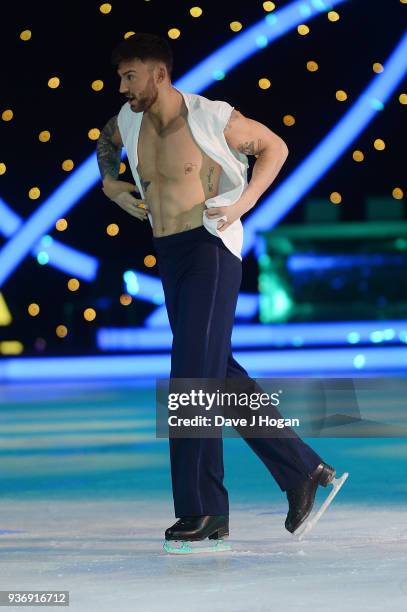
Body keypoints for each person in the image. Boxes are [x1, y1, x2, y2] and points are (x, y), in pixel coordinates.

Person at [96, 32, 339, 549]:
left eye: (130, 75)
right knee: (215, 373)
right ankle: (303, 469)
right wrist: (111, 185)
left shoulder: (210, 116)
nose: (122, 86)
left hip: (210, 249)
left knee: (190, 379)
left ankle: (203, 510)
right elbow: (107, 144)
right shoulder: (129, 120)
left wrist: (243, 203)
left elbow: (276, 146)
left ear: (159, 74)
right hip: (169, 256)